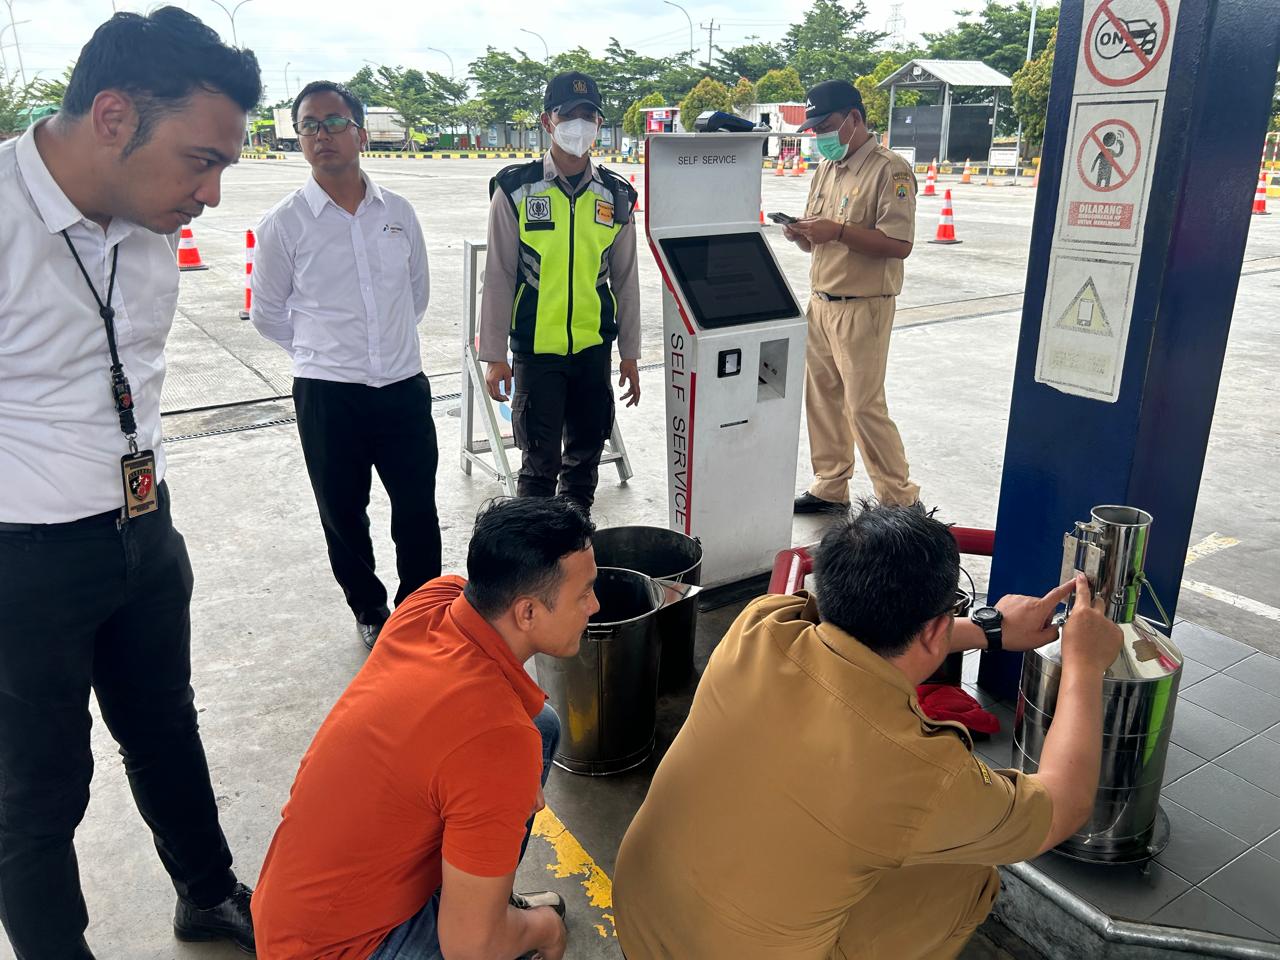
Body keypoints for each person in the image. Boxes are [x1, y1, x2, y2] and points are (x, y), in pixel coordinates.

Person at [0, 9, 261, 958]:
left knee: (164, 728)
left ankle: (207, 892)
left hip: (143, 531)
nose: (212, 194)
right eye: (200, 160)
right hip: (21, 561)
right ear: (113, 116)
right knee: (36, 795)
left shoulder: (151, 228)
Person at [614, 501, 1123, 959]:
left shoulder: (760, 627)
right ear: (934, 628)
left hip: (643, 921)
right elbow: (1065, 806)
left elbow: (861, 637)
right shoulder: (921, 774)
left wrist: (990, 630)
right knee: (967, 872)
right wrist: (1083, 665)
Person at [252, 496, 596, 960]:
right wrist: (546, 930)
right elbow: (471, 952)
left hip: (289, 909)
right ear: (528, 613)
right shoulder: (498, 741)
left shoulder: (436, 600)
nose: (595, 605)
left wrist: (504, 787)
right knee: (491, 938)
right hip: (342, 950)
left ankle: (484, 904)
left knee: (541, 726)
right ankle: (492, 918)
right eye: (584, 593)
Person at [251, 81, 440, 649]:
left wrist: (381, 347)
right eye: (309, 125)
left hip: (403, 387)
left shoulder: (398, 213)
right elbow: (266, 313)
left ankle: (420, 607)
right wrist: (320, 353)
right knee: (343, 513)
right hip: (328, 395)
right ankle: (370, 609)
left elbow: (417, 295)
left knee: (416, 508)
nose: (321, 135)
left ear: (360, 131)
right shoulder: (284, 223)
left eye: (333, 122)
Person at [479, 71, 641, 512]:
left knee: (584, 467)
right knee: (537, 469)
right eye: (570, 114)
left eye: (590, 116)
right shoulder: (515, 189)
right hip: (536, 352)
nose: (580, 125)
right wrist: (494, 356)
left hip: (593, 352)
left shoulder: (617, 195)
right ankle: (536, 568)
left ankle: (574, 555)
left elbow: (625, 279)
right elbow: (497, 275)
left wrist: (630, 353)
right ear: (547, 122)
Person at [785, 80, 921, 515]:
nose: (819, 136)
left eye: (825, 125)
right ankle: (830, 484)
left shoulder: (890, 170)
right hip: (821, 301)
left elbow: (899, 244)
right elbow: (819, 240)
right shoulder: (827, 168)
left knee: (863, 405)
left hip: (864, 307)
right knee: (822, 398)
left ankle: (899, 498)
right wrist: (803, 234)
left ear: (854, 119)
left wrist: (838, 232)